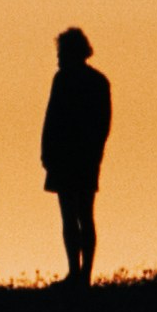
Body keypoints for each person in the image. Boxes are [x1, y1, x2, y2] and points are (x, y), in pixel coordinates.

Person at [39, 25, 113, 288]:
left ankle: (78, 274)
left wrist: (47, 152)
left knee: (72, 216)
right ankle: (82, 275)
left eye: (60, 52)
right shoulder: (98, 82)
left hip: (69, 157)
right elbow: (103, 125)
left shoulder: (65, 81)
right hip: (81, 158)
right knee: (82, 215)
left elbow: (53, 118)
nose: (58, 58)